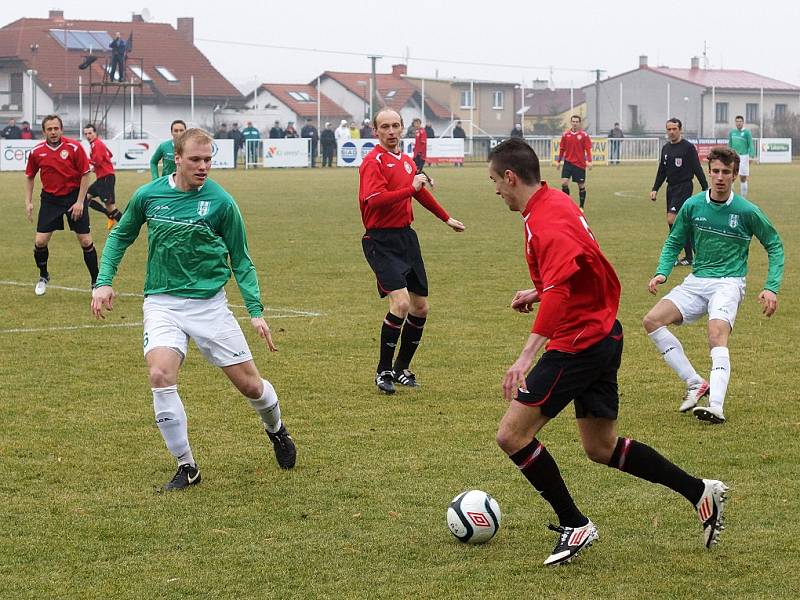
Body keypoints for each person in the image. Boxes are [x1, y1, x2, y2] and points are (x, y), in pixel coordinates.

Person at [487, 137, 728, 566]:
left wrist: (525, 356)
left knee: (512, 435)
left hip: (578, 342)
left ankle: (574, 523)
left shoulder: (546, 223)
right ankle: (699, 491)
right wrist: (539, 290)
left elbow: (563, 288)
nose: (496, 191)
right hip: (601, 333)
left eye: (495, 182)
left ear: (510, 176)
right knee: (600, 447)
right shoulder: (553, 203)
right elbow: (578, 268)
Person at [90, 128, 297, 491]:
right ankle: (187, 466)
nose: (203, 167)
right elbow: (121, 235)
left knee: (251, 387)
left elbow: (242, 259)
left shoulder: (221, 202)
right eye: (196, 160)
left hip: (210, 306)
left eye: (208, 160)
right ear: (177, 158)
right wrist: (103, 280)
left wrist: (255, 309)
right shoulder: (149, 195)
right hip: (162, 302)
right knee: (160, 375)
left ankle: (276, 430)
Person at [643, 146, 783, 424]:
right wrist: (662, 272)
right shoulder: (693, 205)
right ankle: (695, 382)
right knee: (652, 320)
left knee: (716, 334)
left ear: (734, 176)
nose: (720, 177)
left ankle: (715, 405)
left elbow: (775, 245)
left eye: (726, 172)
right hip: (697, 280)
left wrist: (772, 286)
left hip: (729, 282)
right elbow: (674, 240)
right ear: (708, 172)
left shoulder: (747, 211)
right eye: (715, 171)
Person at [358, 108, 465, 394]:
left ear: (402, 127)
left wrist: (446, 218)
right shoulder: (373, 162)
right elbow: (376, 200)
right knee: (401, 304)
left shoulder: (405, 161)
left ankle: (401, 368)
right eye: (385, 127)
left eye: (395, 126)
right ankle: (383, 372)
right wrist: (411, 187)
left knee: (420, 308)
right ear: (375, 131)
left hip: (407, 238)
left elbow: (419, 192)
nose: (391, 131)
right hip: (380, 240)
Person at [24, 114, 96, 296]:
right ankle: (43, 276)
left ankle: (97, 282)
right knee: (40, 241)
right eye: (49, 129)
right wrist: (28, 201)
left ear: (61, 129)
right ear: (44, 131)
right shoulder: (36, 152)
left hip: (73, 197)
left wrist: (80, 202)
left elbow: (86, 174)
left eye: (56, 128)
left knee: (86, 241)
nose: (53, 132)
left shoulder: (74, 147)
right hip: (50, 199)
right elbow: (30, 176)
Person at [650, 118, 708, 266]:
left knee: (672, 219)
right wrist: (655, 189)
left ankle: (674, 255)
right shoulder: (666, 149)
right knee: (680, 223)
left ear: (680, 130)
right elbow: (662, 171)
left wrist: (705, 187)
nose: (671, 132)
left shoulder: (688, 148)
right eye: (669, 129)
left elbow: (697, 168)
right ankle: (689, 256)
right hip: (671, 188)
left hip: (684, 187)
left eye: (674, 129)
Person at [83, 123, 122, 230]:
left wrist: (85, 160)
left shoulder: (96, 144)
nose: (88, 136)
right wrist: (97, 167)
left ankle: (126, 226)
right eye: (86, 134)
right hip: (102, 178)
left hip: (106, 178)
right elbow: (110, 154)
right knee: (85, 198)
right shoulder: (97, 144)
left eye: (90, 133)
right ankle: (108, 214)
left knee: (111, 207)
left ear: (95, 133)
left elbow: (98, 161)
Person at [555, 115, 592, 211]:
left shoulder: (584, 135)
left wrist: (589, 161)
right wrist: (558, 161)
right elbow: (562, 149)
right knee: (564, 183)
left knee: (581, 185)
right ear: (571, 122)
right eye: (573, 121)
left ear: (579, 123)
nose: (575, 123)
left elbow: (588, 149)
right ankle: (567, 204)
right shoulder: (565, 135)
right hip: (568, 163)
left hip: (579, 164)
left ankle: (581, 206)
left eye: (577, 122)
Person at [728, 116, 755, 197]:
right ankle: (730, 198)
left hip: (744, 157)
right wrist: (728, 154)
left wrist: (751, 156)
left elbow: (750, 144)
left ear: (743, 122)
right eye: (737, 121)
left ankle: (743, 199)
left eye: (740, 121)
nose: (738, 123)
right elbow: (730, 145)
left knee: (743, 178)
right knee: (731, 177)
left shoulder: (746, 132)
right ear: (735, 122)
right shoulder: (732, 132)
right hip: (733, 156)